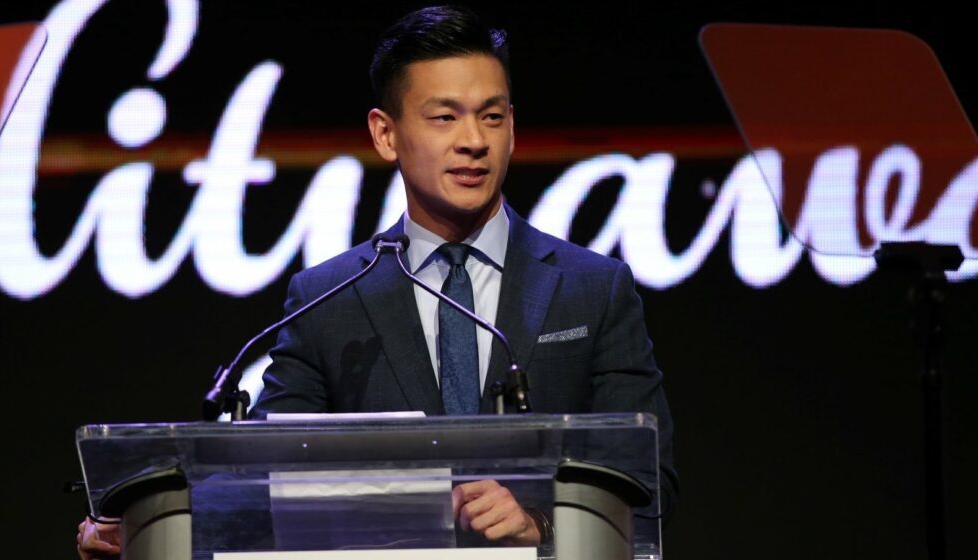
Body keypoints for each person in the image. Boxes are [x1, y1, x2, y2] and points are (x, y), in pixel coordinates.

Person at [79, 5, 676, 558]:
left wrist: (540, 526)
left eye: (492, 116)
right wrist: (144, 521)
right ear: (385, 134)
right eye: (444, 117)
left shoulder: (593, 289)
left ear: (512, 128)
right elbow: (258, 483)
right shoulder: (327, 300)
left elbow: (650, 487)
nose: (473, 140)